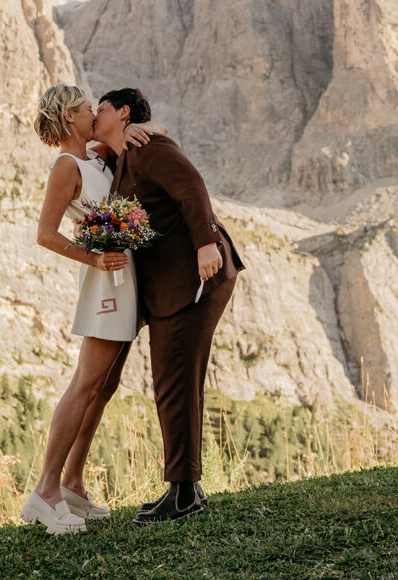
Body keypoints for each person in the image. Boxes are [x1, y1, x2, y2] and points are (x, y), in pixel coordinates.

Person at [94, 87, 244, 525]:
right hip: (170, 288)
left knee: (177, 382)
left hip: (196, 278)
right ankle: (185, 489)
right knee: (171, 383)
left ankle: (182, 495)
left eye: (100, 109)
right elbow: (84, 142)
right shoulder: (128, 151)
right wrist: (145, 126)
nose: (95, 115)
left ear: (122, 113)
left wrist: (204, 244)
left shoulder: (149, 148)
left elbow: (191, 186)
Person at [21, 83, 165, 534]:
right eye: (87, 109)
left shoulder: (95, 155)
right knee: (86, 384)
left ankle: (73, 483)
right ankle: (45, 492)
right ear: (69, 118)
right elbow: (46, 234)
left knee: (106, 385)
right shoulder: (66, 166)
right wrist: (95, 257)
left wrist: (139, 125)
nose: (94, 113)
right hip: (105, 279)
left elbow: (151, 130)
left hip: (124, 279)